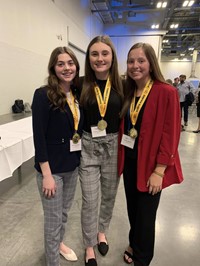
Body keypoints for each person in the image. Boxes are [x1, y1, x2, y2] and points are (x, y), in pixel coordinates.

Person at [118, 42, 184, 266]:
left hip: (151, 165)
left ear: (151, 63)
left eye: (140, 60)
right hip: (129, 162)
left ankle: (142, 259)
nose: (135, 65)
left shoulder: (166, 91)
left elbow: (171, 133)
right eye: (130, 61)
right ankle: (133, 243)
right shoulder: (129, 91)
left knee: (146, 216)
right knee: (133, 210)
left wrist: (160, 169)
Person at [32, 47, 84, 266]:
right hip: (52, 170)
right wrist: (47, 174)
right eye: (61, 64)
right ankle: (52, 261)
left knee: (63, 213)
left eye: (70, 63)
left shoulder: (78, 93)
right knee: (53, 221)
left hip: (71, 166)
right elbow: (39, 137)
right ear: (53, 67)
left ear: (76, 66)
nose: (66, 68)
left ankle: (58, 244)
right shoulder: (43, 94)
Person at [79, 35, 123, 266]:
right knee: (89, 199)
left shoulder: (122, 85)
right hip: (88, 146)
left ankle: (101, 232)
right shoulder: (80, 83)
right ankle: (88, 245)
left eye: (105, 53)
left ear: (112, 56)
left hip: (113, 145)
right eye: (94, 54)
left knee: (109, 196)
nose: (100, 58)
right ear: (89, 58)